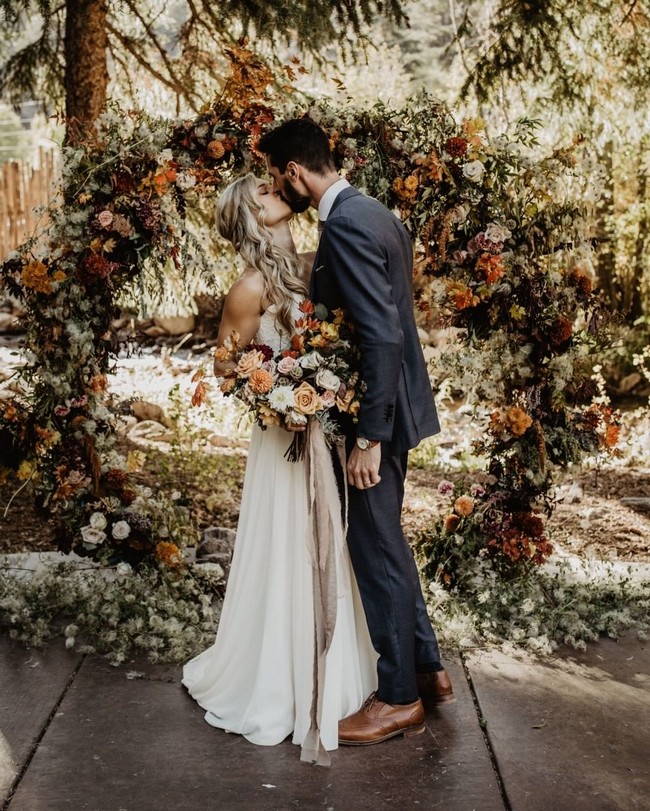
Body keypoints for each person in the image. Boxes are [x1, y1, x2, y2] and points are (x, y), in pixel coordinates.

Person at [258, 118, 454, 747]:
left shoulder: (342, 226)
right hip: (398, 406)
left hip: (379, 417)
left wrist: (368, 437)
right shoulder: (377, 212)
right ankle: (427, 669)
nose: (272, 187)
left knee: (375, 549)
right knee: (387, 539)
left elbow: (383, 333)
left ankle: (397, 700)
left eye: (274, 176)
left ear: (295, 172)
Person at [182, 174, 377, 764]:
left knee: (331, 548)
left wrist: (325, 385)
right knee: (287, 548)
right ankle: (277, 680)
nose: (275, 190)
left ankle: (340, 669)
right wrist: (280, 395)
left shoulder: (320, 262)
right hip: (282, 443)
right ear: (251, 215)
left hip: (327, 437)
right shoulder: (248, 287)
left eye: (272, 182)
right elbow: (223, 369)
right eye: (263, 191)